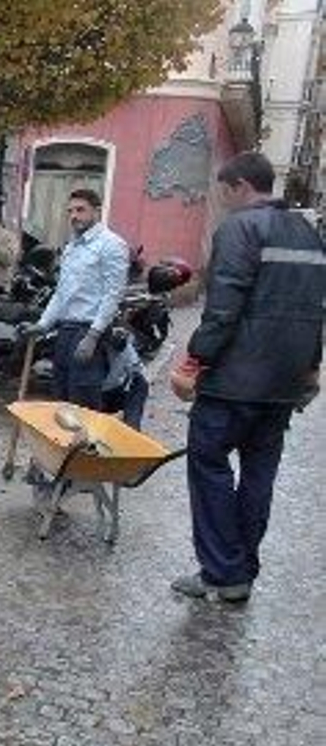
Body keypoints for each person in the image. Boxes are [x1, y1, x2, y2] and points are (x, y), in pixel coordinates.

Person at [172, 151, 325, 603]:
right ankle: (241, 571)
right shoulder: (308, 234)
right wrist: (312, 367)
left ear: (240, 185)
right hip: (283, 385)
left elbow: (223, 308)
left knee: (209, 463)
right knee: (259, 476)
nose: (223, 201)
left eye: (225, 191)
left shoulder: (239, 228)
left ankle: (221, 571)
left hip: (234, 381)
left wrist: (193, 362)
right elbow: (316, 311)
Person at [18, 189, 130, 409]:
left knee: (83, 402)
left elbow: (113, 294)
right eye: (70, 211)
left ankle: (85, 444)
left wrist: (93, 335)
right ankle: (63, 444)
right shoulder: (71, 248)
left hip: (88, 331)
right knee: (61, 397)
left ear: (97, 211)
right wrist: (42, 325)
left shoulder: (111, 245)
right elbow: (61, 294)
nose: (74, 216)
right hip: (65, 331)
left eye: (80, 210)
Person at [99, 328, 149, 430]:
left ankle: (132, 429)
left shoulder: (125, 348)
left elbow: (139, 371)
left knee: (140, 382)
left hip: (116, 390)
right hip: (94, 394)